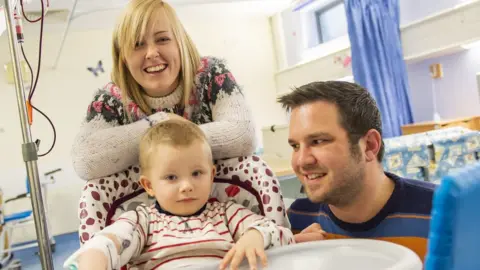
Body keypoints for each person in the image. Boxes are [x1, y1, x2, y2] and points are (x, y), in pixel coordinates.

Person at [65, 119, 294, 270]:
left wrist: (255, 236)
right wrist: (96, 256)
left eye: (197, 173)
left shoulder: (228, 214)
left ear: (212, 175)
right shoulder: (142, 221)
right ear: (149, 186)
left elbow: (280, 233)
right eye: (172, 177)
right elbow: (115, 240)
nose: (186, 186)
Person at [72, 0, 256, 181]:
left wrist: (170, 135)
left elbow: (243, 135)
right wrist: (160, 122)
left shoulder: (212, 75)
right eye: (137, 44)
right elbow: (84, 161)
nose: (152, 53)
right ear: (123, 58)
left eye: (163, 39)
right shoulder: (110, 100)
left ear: (180, 44)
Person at [278, 81, 437, 261]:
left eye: (318, 141)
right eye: (295, 146)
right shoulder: (297, 221)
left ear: (369, 145)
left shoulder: (443, 213)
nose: (301, 160)